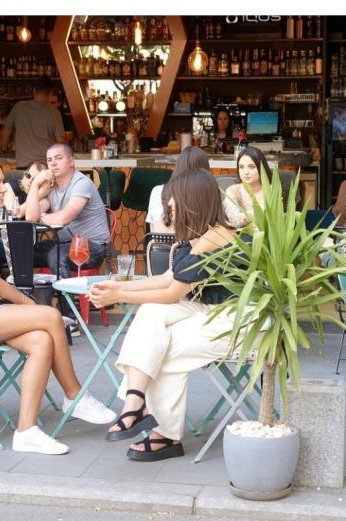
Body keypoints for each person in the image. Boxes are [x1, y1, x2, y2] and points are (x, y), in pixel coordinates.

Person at [0, 155, 115, 455]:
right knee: (50, 316)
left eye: (2, 181)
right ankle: (74, 395)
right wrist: (26, 302)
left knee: (42, 340)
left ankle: (26, 431)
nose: (4, 187)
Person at [88, 170, 243, 461]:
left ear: (192, 200)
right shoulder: (199, 233)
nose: (168, 204)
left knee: (165, 346)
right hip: (207, 307)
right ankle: (136, 403)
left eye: (174, 198)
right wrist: (122, 286)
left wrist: (119, 296)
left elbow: (172, 292)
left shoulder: (217, 237)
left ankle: (164, 434)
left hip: (233, 317)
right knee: (151, 314)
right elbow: (168, 278)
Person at [24, 143, 110, 279]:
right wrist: (35, 184)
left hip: (92, 247)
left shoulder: (81, 183)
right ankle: (30, 298)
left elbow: (65, 217)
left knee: (55, 255)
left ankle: (65, 299)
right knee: (23, 253)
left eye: (58, 158)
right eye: (49, 160)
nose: (53, 164)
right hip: (64, 243)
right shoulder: (52, 186)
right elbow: (31, 216)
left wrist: (42, 217)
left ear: (71, 161)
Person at [0, 77, 65, 169]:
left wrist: (3, 149)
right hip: (46, 165)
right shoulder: (54, 112)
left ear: (34, 91)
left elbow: (6, 131)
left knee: (25, 183)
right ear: (50, 94)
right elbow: (60, 142)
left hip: (24, 164)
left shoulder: (19, 107)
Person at [146, 146, 210, 234]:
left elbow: (153, 230)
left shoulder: (157, 191)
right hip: (197, 246)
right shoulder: (208, 193)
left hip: (160, 245)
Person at [222, 146, 273, 228]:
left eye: (252, 167)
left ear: (262, 167)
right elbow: (236, 220)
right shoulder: (233, 191)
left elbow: (273, 219)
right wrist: (261, 211)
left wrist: (246, 216)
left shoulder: (271, 189)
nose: (245, 172)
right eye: (241, 167)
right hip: (240, 237)